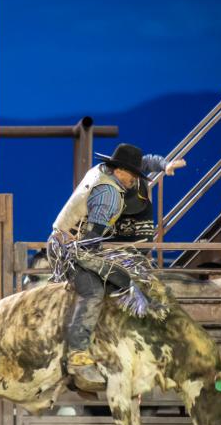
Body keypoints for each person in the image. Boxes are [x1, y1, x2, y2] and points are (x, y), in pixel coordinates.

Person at [51, 143, 184, 392]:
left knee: (123, 281)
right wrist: (107, 263)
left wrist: (164, 165)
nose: (134, 179)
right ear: (119, 170)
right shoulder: (109, 195)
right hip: (75, 247)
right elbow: (90, 243)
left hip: (83, 242)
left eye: (136, 174)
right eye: (132, 174)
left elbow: (149, 160)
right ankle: (77, 354)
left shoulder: (103, 173)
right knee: (95, 291)